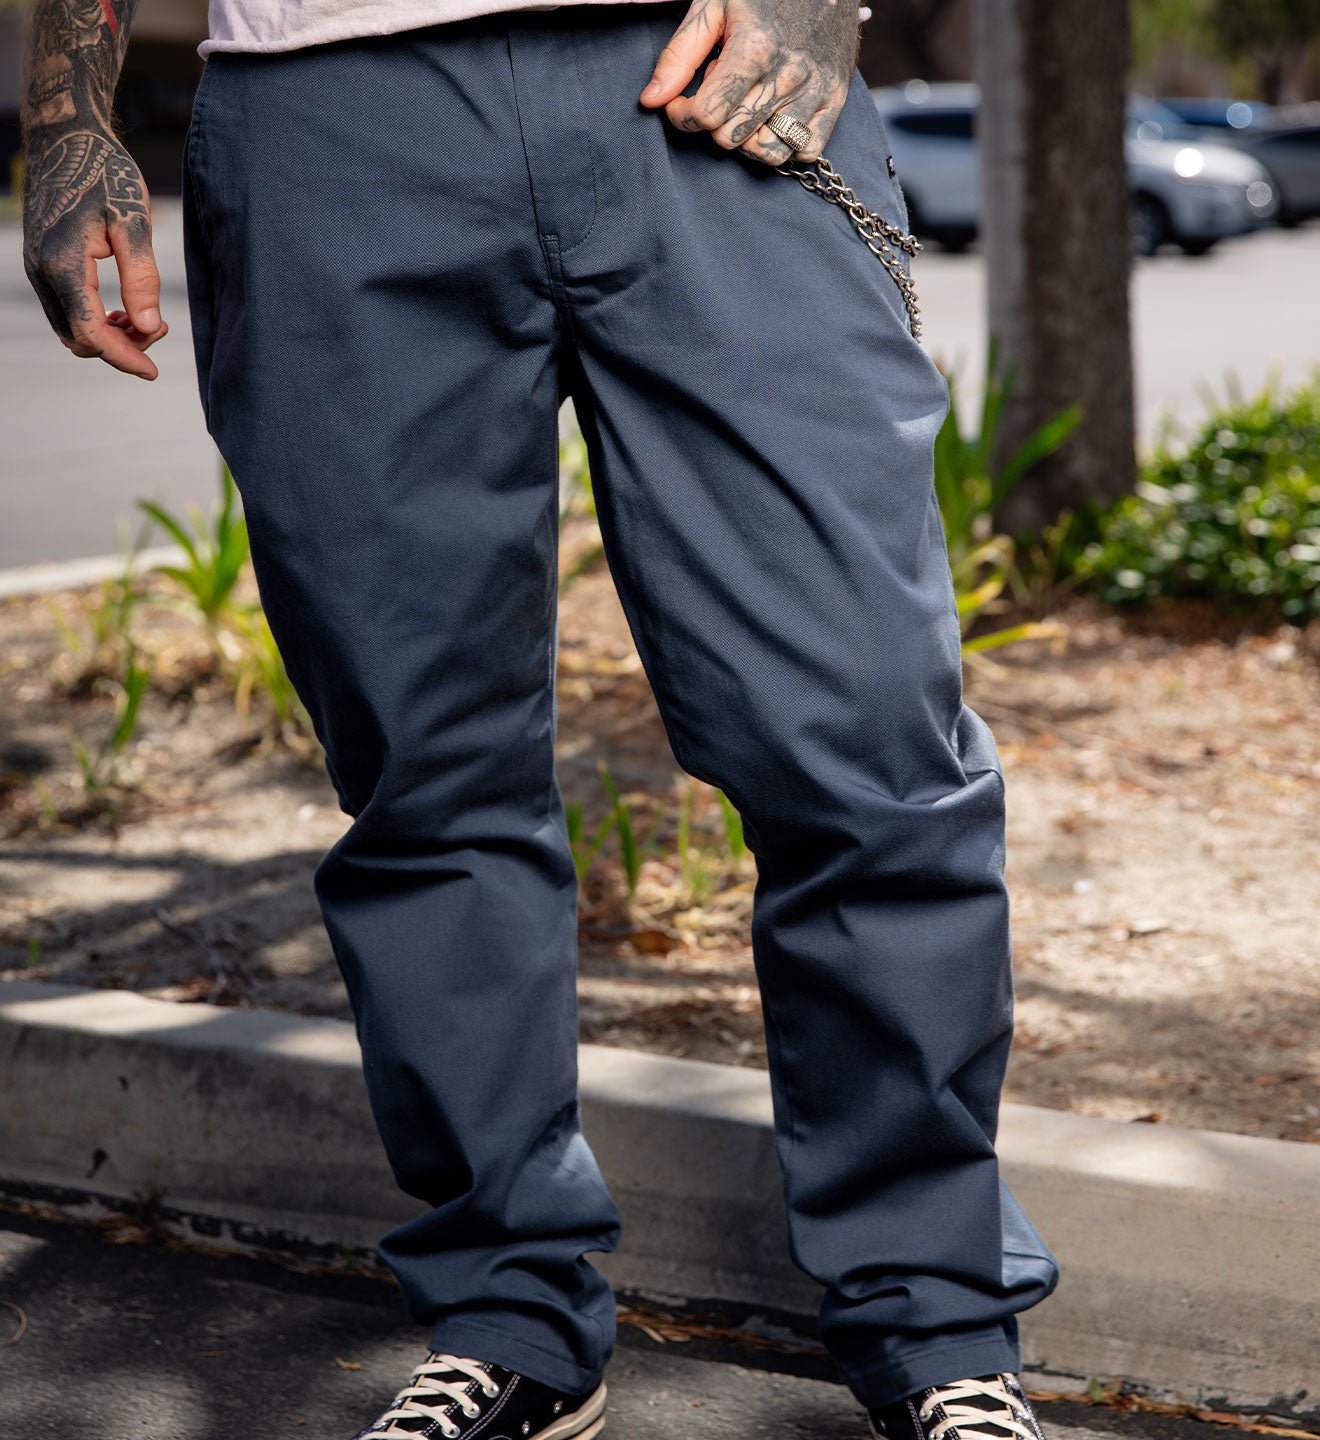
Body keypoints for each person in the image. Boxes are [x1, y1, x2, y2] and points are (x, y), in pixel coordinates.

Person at [20, 0, 1062, 1434]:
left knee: (867, 734)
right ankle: (507, 1308)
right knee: (421, 771)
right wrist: (67, 118)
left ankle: (939, 1320)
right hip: (320, 113)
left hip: (702, 71)